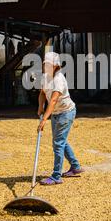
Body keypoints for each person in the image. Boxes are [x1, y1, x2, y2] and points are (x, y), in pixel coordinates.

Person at [37, 51, 84, 185]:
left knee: (58, 143)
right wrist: (40, 106)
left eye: (49, 65)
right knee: (60, 141)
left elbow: (53, 100)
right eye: (45, 64)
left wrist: (44, 119)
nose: (46, 67)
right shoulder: (44, 77)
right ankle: (75, 167)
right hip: (57, 113)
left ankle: (56, 176)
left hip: (66, 112)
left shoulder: (58, 79)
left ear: (56, 66)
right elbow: (42, 93)